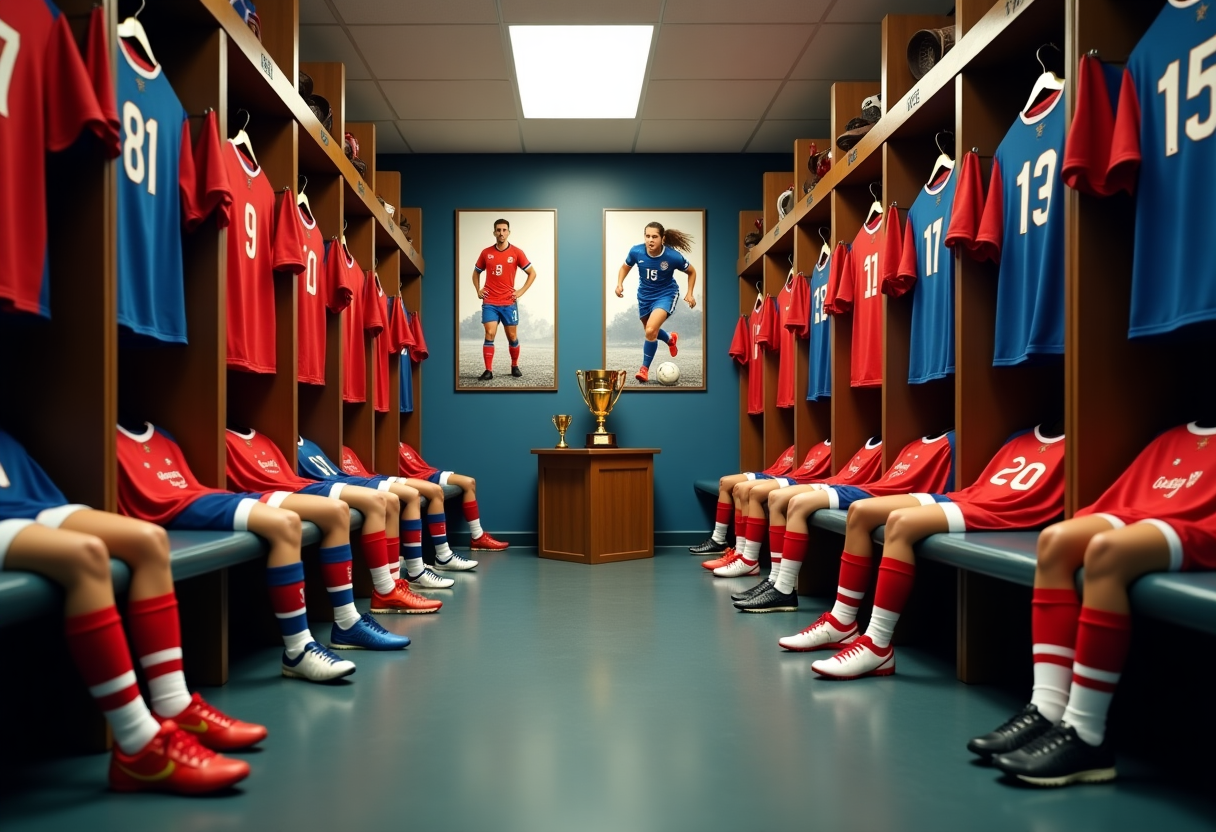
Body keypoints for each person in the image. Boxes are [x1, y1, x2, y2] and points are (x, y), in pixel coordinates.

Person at [0, 430, 257, 794]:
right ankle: (137, 744)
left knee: (149, 540)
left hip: (25, 494)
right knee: (84, 554)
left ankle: (174, 704)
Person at [970, 422, 1216, 787]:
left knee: (1107, 551)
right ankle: (1048, 707)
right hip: (1153, 512)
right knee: (1055, 540)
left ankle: (1086, 734)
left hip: (1205, 524)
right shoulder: (1173, 437)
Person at [778, 426, 1065, 680]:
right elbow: (980, 487)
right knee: (860, 512)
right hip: (972, 496)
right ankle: (842, 621)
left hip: (1005, 510)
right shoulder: (1019, 437)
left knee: (901, 524)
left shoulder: (1074, 441)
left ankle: (877, 643)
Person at [116, 421, 382, 681]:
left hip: (198, 496)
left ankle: (343, 623)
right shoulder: (109, 437)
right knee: (287, 523)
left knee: (318, 516)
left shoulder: (163, 435)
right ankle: (299, 649)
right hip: (173, 506)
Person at [224, 428, 445, 611]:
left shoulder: (283, 441)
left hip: (318, 483)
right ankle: (385, 591)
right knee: (376, 502)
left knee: (391, 500)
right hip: (299, 488)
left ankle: (393, 584)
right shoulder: (230, 440)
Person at [732, 435, 952, 613]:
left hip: (869, 491)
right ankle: (775, 580)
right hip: (854, 486)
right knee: (777, 498)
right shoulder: (909, 444)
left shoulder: (947, 443)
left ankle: (783, 586)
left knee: (796, 503)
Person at [297, 435, 479, 576]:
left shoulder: (318, 446)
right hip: (349, 483)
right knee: (401, 498)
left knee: (429, 492)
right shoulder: (325, 448)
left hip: (368, 479)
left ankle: (432, 561)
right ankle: (404, 576)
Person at [615, 221, 697, 383]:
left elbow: (692, 271)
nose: (650, 240)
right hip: (644, 296)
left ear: (662, 239)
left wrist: (690, 293)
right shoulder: (636, 251)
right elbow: (625, 267)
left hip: (666, 295)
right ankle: (670, 339)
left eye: (654, 237)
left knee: (651, 330)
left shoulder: (672, 256)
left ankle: (644, 370)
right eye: (647, 236)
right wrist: (619, 283)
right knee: (649, 330)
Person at [689, 444, 799, 557]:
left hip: (792, 478)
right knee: (725, 482)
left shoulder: (803, 446)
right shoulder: (793, 448)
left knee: (743, 489)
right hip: (772, 474)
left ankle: (744, 554)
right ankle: (719, 539)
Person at [398, 442, 509, 551]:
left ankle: (478, 536)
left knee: (469, 482)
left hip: (428, 473)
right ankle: (474, 539)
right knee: (448, 489)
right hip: (417, 479)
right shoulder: (390, 446)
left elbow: (420, 466)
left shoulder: (404, 445)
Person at [471, 218, 537, 380]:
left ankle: (514, 365)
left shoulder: (516, 252)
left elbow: (532, 273)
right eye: (498, 230)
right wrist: (478, 289)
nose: (501, 233)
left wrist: (520, 291)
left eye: (504, 230)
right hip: (490, 302)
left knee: (512, 337)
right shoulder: (486, 253)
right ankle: (488, 370)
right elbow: (476, 273)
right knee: (489, 333)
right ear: (494, 232)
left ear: (509, 232)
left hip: (508, 302)